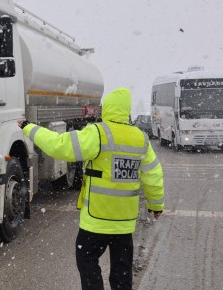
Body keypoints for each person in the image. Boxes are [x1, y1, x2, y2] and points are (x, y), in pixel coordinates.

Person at [18, 87, 164, 290]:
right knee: (122, 270)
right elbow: (153, 175)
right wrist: (156, 205)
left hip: (97, 220)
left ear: (108, 109)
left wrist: (29, 128)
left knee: (86, 260)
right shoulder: (140, 139)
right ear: (127, 110)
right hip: (124, 222)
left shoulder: (98, 133)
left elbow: (59, 145)